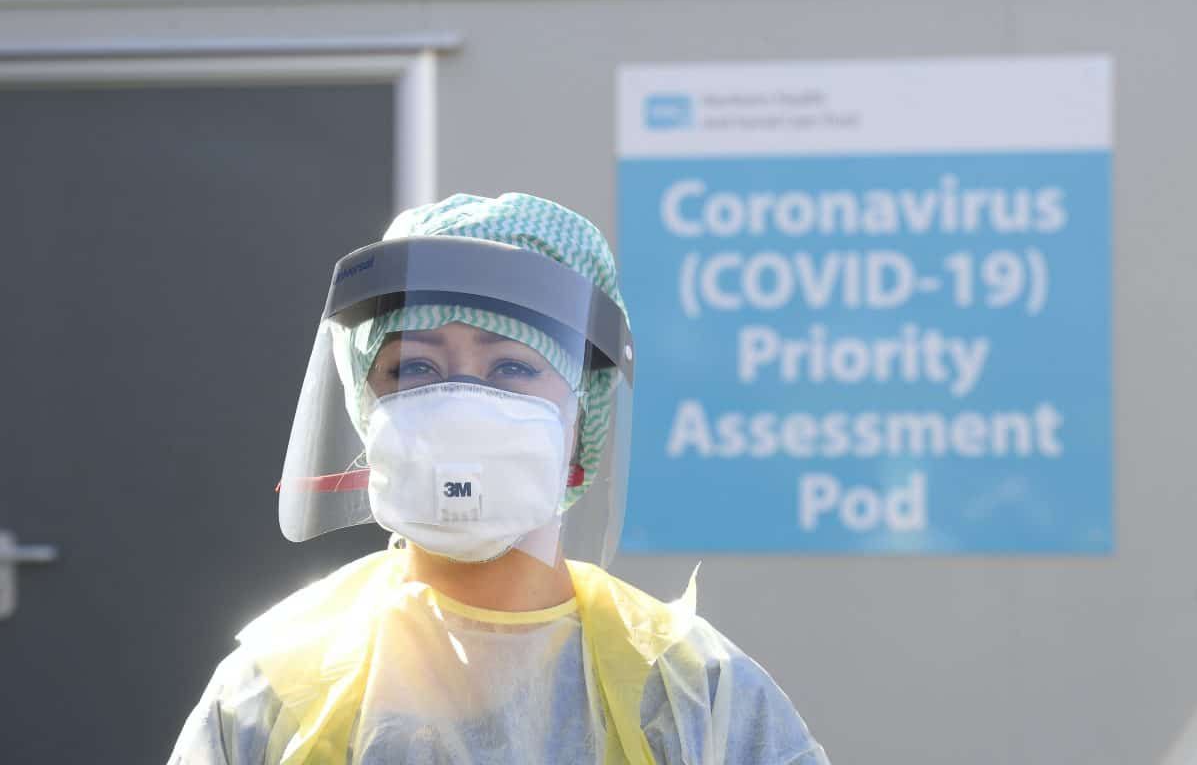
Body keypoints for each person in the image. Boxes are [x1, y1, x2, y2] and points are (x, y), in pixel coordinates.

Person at [169, 193, 830, 764]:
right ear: (365, 406)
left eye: (512, 368)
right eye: (414, 368)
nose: (460, 405)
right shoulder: (277, 687)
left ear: (584, 415)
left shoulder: (691, 694)